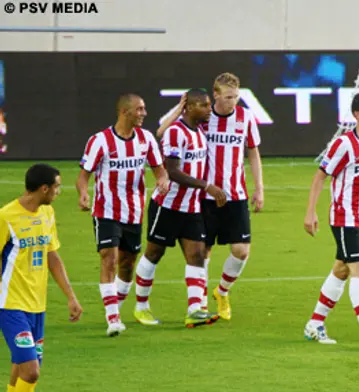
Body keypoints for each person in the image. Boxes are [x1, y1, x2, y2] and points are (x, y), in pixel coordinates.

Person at [158, 73, 264, 320]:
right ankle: (200, 304)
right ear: (215, 95)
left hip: (235, 196)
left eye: (236, 97)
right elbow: (163, 131)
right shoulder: (204, 118)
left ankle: (222, 291)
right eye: (228, 97)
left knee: (241, 250)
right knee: (203, 252)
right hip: (204, 197)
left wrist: (259, 188)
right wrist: (180, 106)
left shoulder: (245, 117)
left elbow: (253, 152)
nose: (233, 102)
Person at [303, 92, 359, 350]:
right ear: (357, 115)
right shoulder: (344, 145)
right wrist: (310, 212)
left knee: (342, 269)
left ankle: (315, 323)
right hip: (345, 218)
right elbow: (320, 176)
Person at [76, 94, 169, 336]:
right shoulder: (100, 141)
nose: (144, 113)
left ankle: (113, 306)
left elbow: (160, 170)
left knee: (128, 264)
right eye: (139, 109)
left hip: (134, 212)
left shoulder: (146, 139)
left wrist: (163, 181)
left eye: (144, 108)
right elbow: (83, 175)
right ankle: (113, 319)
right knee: (109, 258)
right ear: (124, 112)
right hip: (105, 210)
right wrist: (84, 193)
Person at [134, 88, 226, 328]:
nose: (209, 109)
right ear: (191, 107)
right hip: (167, 206)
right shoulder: (176, 133)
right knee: (154, 253)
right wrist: (207, 186)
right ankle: (141, 307)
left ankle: (195, 310)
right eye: (204, 105)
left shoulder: (200, 133)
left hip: (191, 207)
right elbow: (172, 171)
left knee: (196, 255)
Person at [0, 164, 83, 392]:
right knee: (31, 372)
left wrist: (71, 296)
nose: (59, 191)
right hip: (10, 304)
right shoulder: (6, 217)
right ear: (44, 188)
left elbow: (52, 255)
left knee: (19, 372)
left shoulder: (47, 213)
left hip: (37, 306)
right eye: (57, 186)